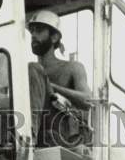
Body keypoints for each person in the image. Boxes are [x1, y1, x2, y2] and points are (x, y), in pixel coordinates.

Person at [26, 10, 92, 151]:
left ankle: (28, 141)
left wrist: (52, 87)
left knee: (33, 68)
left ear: (54, 37)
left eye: (39, 31)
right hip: (39, 135)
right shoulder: (28, 73)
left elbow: (88, 101)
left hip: (59, 135)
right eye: (32, 31)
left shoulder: (72, 67)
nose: (33, 35)